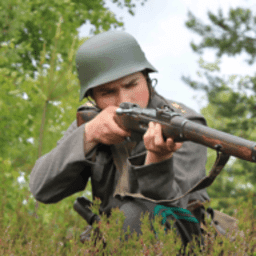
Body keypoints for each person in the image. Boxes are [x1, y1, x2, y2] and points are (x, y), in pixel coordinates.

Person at [29, 31, 210, 248]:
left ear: (147, 79)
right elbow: (42, 189)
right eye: (108, 92)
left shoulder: (185, 125)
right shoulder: (94, 122)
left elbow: (169, 211)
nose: (124, 100)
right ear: (93, 97)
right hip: (116, 238)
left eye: (131, 85)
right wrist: (88, 135)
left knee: (133, 216)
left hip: (182, 240)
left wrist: (157, 162)